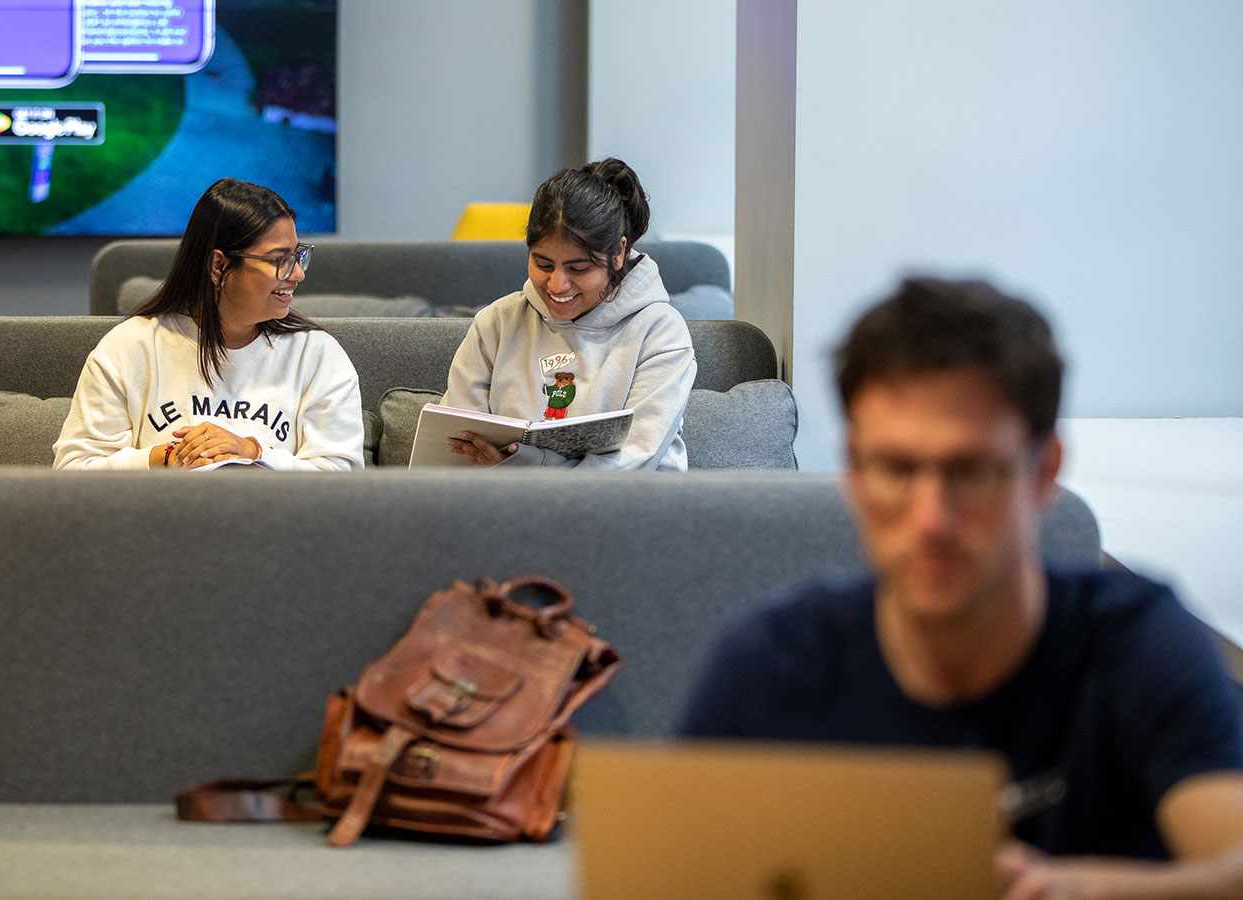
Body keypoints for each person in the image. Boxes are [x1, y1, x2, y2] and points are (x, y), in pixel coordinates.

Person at [679, 277, 1243, 899]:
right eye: (895, 469)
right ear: (855, 475)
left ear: (1045, 471)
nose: (931, 521)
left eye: (970, 471)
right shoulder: (770, 666)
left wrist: (1077, 891)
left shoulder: (1137, 644)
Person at [53, 178, 363, 471]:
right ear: (219, 265)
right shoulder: (129, 347)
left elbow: (343, 478)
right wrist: (165, 457)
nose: (297, 274)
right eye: (279, 259)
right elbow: (73, 470)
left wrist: (255, 453)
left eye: (298, 256)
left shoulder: (317, 355)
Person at [439, 158, 696, 469]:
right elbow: (460, 445)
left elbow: (636, 460)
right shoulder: (496, 323)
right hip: (502, 508)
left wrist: (521, 468)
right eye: (543, 264)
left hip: (624, 509)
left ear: (617, 254)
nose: (557, 284)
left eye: (579, 268)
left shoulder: (660, 332)